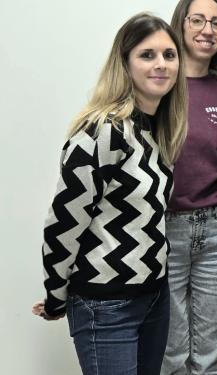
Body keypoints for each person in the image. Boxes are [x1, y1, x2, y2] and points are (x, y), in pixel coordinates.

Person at [31, 13, 187, 374]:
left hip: (154, 297)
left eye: (169, 54)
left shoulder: (157, 131)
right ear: (125, 63)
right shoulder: (103, 131)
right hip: (106, 305)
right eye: (147, 55)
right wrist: (56, 296)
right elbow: (64, 222)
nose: (161, 64)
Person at [161, 1, 217, 374]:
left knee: (212, 354)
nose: (208, 30)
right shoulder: (158, 85)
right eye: (198, 20)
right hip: (163, 231)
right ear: (181, 24)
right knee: (169, 351)